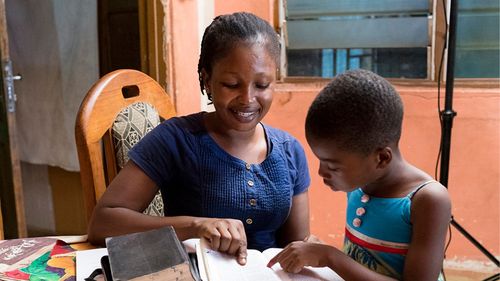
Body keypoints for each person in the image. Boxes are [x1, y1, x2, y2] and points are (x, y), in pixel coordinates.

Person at [87, 12, 310, 265]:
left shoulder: (289, 150)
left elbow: (297, 246)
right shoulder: (176, 140)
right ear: (207, 79)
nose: (248, 99)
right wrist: (195, 226)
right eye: (231, 84)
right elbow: (102, 223)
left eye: (261, 85)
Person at [268, 69, 451, 280]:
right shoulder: (361, 185)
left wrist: (331, 257)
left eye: (333, 166)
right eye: (321, 160)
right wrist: (320, 251)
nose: (321, 172)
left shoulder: (428, 200)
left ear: (381, 158)